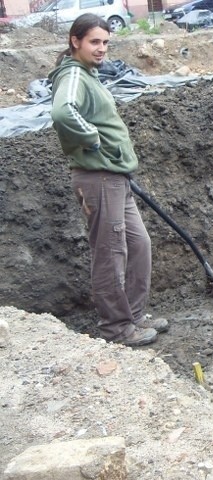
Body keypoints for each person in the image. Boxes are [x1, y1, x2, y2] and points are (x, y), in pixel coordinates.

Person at [49, 14, 167, 347]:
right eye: (94, 42)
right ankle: (117, 330)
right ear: (76, 41)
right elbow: (62, 112)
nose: (102, 49)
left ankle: (133, 314)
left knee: (139, 244)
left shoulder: (89, 74)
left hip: (115, 177)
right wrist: (93, 139)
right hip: (98, 178)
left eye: (105, 42)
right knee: (110, 254)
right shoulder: (72, 75)